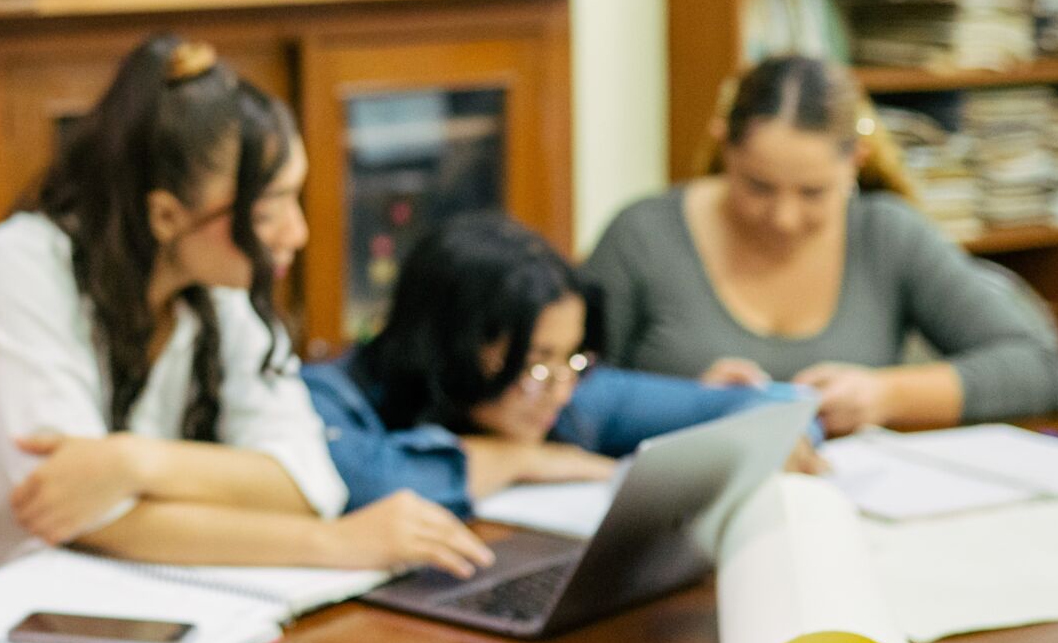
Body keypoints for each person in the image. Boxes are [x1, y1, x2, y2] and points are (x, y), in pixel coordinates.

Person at [0, 35, 493, 597]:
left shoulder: (217, 283)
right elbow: (75, 511)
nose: (297, 233)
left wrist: (133, 464)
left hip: (143, 600)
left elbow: (309, 482)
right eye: (268, 209)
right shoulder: (15, 271)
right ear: (167, 215)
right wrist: (333, 545)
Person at [587, 55, 1058, 436]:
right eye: (757, 187)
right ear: (724, 147)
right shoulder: (643, 238)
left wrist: (884, 395)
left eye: (813, 193)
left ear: (855, 163)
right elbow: (558, 392)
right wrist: (688, 408)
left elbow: (1037, 368)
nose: (783, 218)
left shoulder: (886, 235)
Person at [301, 211, 797, 515]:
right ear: (452, 343)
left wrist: (761, 443)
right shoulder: (325, 398)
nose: (561, 391)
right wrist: (524, 458)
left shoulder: (569, 392)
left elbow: (775, 406)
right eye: (535, 362)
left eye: (574, 357)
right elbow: (362, 482)